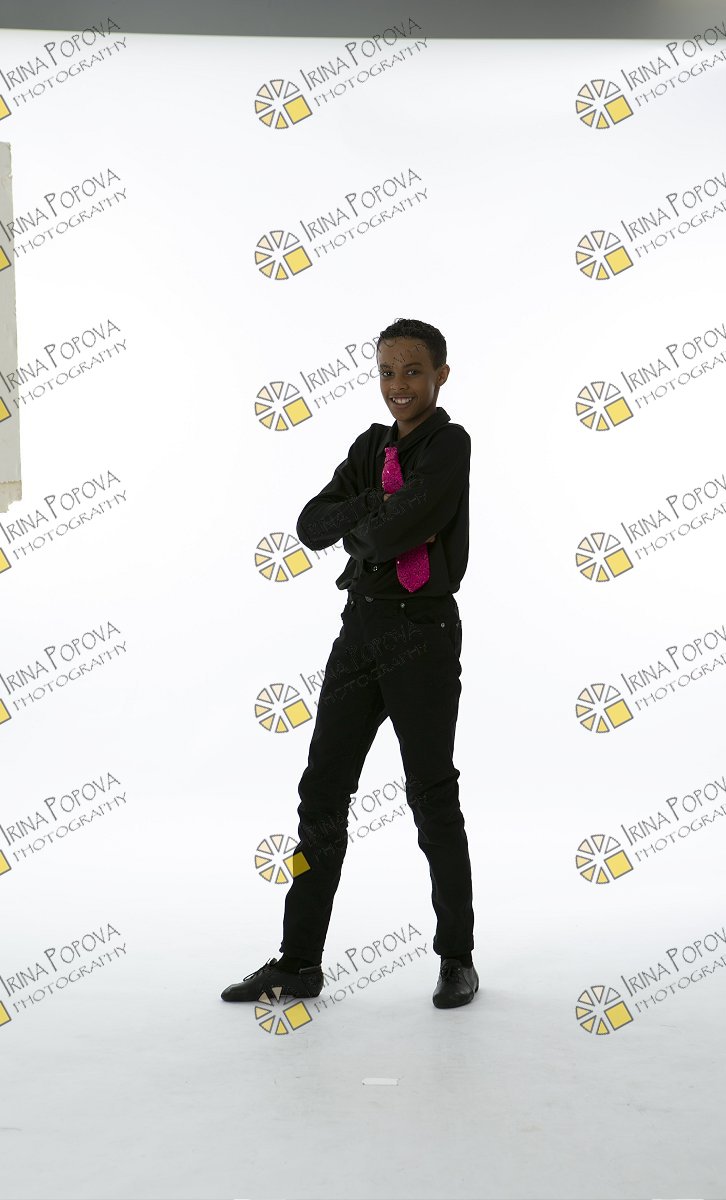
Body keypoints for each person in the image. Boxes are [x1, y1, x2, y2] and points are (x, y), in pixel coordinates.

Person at [221, 316, 477, 1010]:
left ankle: (457, 958)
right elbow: (311, 526)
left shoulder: (450, 444)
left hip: (422, 633)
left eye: (414, 371)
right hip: (360, 630)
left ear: (441, 374)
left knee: (431, 795)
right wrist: (373, 503)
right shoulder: (370, 448)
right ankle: (299, 962)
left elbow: (393, 535)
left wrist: (369, 527)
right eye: (388, 372)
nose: (399, 385)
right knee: (322, 792)